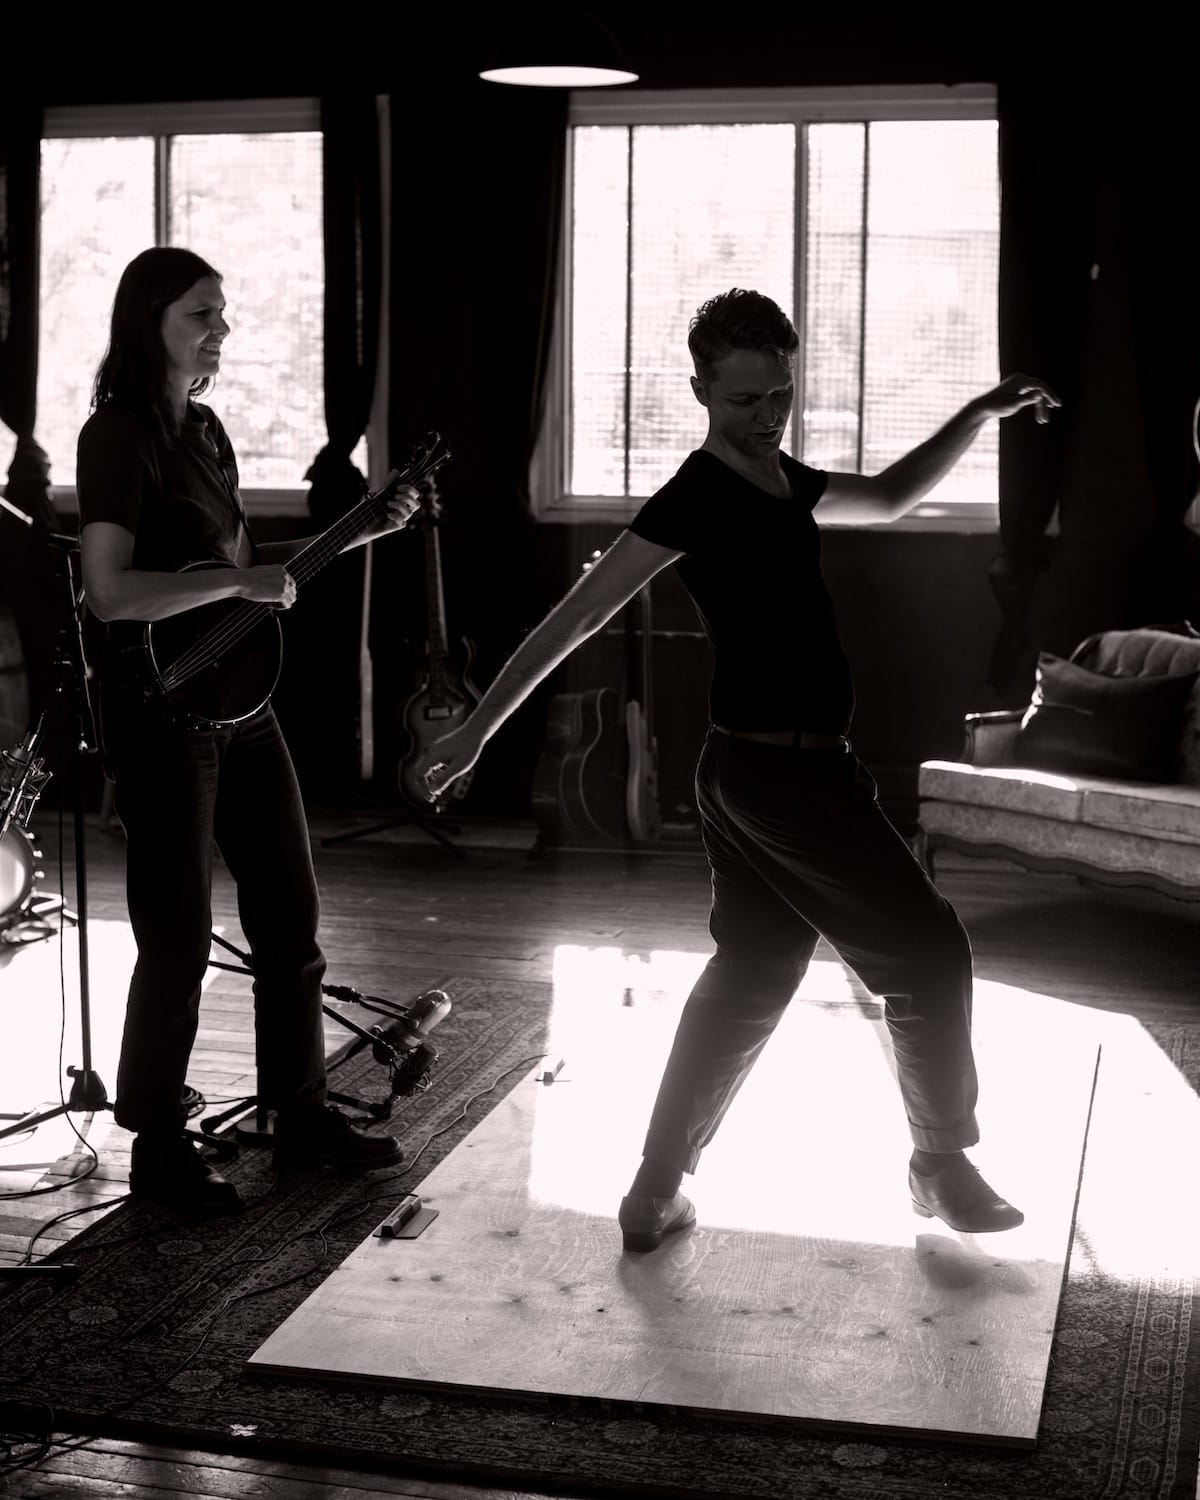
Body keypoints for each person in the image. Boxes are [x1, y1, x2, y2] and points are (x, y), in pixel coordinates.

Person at [416, 287, 1060, 1251]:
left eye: (780, 396)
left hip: (753, 775)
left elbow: (886, 497)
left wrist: (973, 416)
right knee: (927, 951)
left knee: (754, 969)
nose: (767, 418)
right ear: (701, 392)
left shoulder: (783, 481)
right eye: (745, 401)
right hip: (783, 781)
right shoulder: (696, 495)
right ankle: (940, 1161)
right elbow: (579, 615)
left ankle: (656, 1186)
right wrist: (474, 732)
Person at [77, 246, 420, 1213]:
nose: (221, 330)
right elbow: (108, 595)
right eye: (201, 314)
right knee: (178, 935)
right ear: (149, 322)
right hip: (161, 712)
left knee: (289, 914)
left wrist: (361, 529)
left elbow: (240, 566)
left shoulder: (211, 432)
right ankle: (156, 1147)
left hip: (242, 700)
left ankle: (299, 1112)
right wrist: (238, 580)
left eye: (222, 313)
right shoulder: (117, 438)